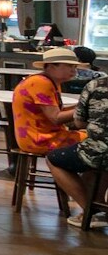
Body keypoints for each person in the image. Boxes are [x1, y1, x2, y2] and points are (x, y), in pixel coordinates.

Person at [43, 64, 108, 228]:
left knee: (54, 159)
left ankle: (91, 212)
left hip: (101, 150)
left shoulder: (96, 85)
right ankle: (98, 204)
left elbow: (79, 122)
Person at [13, 48, 86, 174]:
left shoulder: (49, 81)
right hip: (40, 140)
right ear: (51, 67)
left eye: (75, 66)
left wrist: (83, 106)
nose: (74, 70)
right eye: (69, 66)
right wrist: (83, 108)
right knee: (98, 143)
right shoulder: (41, 83)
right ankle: (85, 190)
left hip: (42, 136)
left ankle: (88, 188)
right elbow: (56, 118)